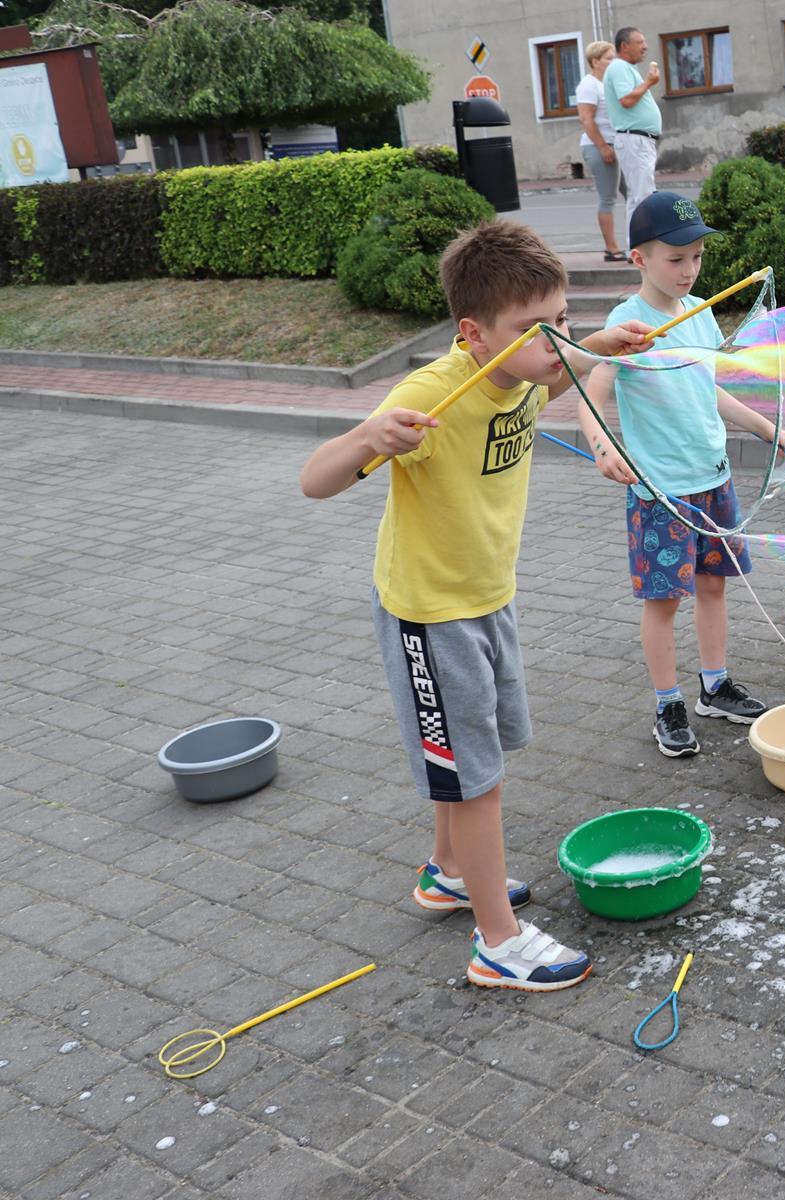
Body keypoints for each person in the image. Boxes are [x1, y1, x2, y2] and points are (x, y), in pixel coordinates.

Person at [299, 222, 654, 992]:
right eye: (534, 327)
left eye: (561, 319)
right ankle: (498, 942)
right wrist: (368, 436)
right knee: (476, 777)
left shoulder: (522, 368)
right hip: (432, 615)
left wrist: (598, 344)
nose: (553, 339)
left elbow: (549, 378)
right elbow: (314, 480)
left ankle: (449, 872)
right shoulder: (432, 395)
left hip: (489, 595)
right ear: (473, 333)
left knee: (469, 756)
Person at [577, 192, 785, 757]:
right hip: (662, 491)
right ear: (639, 259)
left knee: (713, 585)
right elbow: (590, 392)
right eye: (675, 258)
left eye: (696, 257)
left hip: (713, 479)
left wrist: (763, 426)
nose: (689, 269)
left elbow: (706, 388)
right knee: (663, 600)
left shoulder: (699, 313)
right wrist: (603, 447)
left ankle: (715, 686)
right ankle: (667, 703)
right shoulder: (626, 323)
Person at [605, 26, 663, 248]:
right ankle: (645, 246)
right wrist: (648, 82)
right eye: (639, 42)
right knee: (643, 195)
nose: (645, 47)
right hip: (635, 139)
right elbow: (626, 100)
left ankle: (636, 246)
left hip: (637, 139)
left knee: (637, 195)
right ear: (624, 46)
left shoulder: (626, 68)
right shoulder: (619, 67)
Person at [575, 40, 627, 261]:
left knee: (634, 194)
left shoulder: (609, 82)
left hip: (618, 144)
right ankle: (611, 249)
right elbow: (586, 119)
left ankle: (639, 243)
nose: (613, 61)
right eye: (609, 58)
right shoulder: (588, 85)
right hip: (599, 146)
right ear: (595, 61)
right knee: (608, 198)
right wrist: (603, 147)